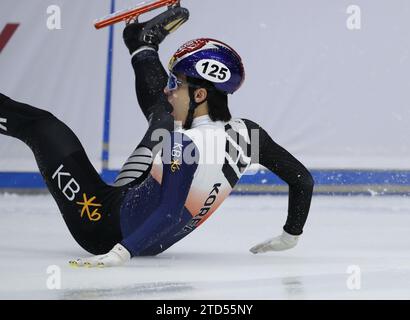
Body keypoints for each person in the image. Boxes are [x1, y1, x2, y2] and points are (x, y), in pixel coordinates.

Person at [0, 6, 314, 268]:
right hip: (141, 212)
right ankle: (142, 43)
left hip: (101, 226)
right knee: (164, 117)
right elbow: (303, 180)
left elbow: (169, 210)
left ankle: (140, 45)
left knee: (44, 127)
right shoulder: (249, 134)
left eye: (175, 84)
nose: (168, 89)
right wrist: (291, 234)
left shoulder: (182, 145)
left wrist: (119, 254)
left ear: (201, 94)